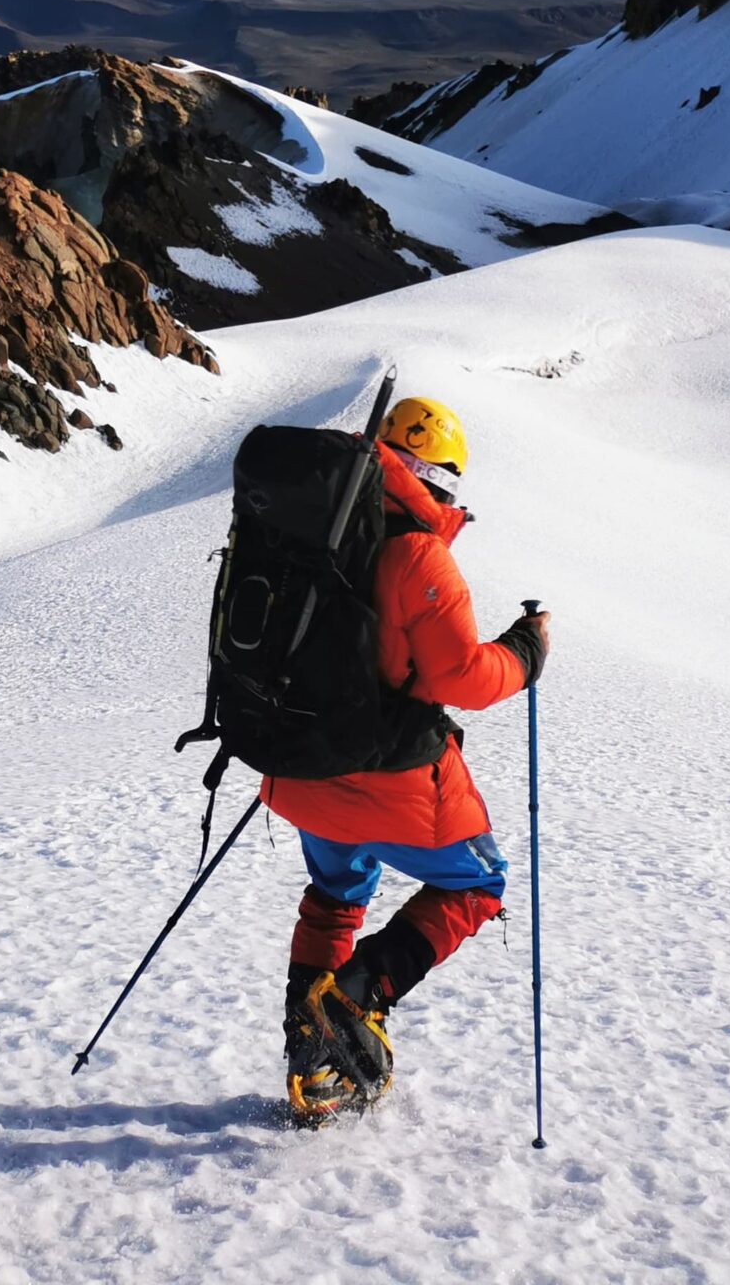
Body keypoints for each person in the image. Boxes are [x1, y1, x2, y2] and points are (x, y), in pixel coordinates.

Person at [266, 395, 550, 1126]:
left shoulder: (308, 531)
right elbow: (461, 677)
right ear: (436, 477)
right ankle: (354, 1001)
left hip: (298, 765)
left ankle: (312, 1043)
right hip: (387, 777)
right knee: (479, 885)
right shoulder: (417, 551)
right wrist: (525, 652)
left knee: (336, 893)